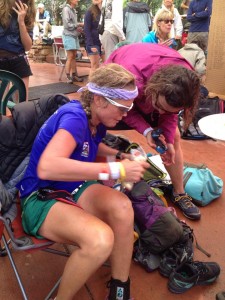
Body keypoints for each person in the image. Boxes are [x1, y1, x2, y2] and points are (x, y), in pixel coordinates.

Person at [17, 63, 149, 300]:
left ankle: (120, 288)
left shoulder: (93, 119)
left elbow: (91, 144)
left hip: (71, 188)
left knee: (122, 207)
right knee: (100, 240)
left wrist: (120, 156)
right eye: (122, 107)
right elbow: (48, 167)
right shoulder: (75, 117)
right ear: (99, 100)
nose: (125, 114)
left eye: (129, 108)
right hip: (40, 196)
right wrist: (116, 169)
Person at [106, 43, 202, 221]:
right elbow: (126, 109)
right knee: (102, 120)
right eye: (159, 107)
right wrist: (147, 130)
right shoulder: (130, 76)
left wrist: (168, 142)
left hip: (151, 84)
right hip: (121, 83)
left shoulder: (186, 81)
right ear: (154, 90)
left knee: (175, 135)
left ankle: (179, 192)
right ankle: (98, 185)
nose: (162, 113)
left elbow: (170, 113)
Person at [0, 0, 36, 100]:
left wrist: (21, 22)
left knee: (22, 103)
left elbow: (28, 46)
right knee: (1, 103)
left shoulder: (28, 10)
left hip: (18, 58)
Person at [62, 0, 83, 83]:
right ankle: (68, 77)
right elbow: (67, 25)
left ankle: (74, 75)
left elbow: (72, 25)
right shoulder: (66, 9)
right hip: (68, 35)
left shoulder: (73, 10)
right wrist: (78, 25)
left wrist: (78, 28)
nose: (78, 0)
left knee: (74, 56)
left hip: (74, 35)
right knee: (70, 56)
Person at [84, 0, 105, 75]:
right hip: (93, 42)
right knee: (95, 66)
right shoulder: (90, 11)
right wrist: (90, 45)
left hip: (103, 42)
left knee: (106, 65)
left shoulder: (105, 11)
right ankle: (91, 86)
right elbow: (86, 29)